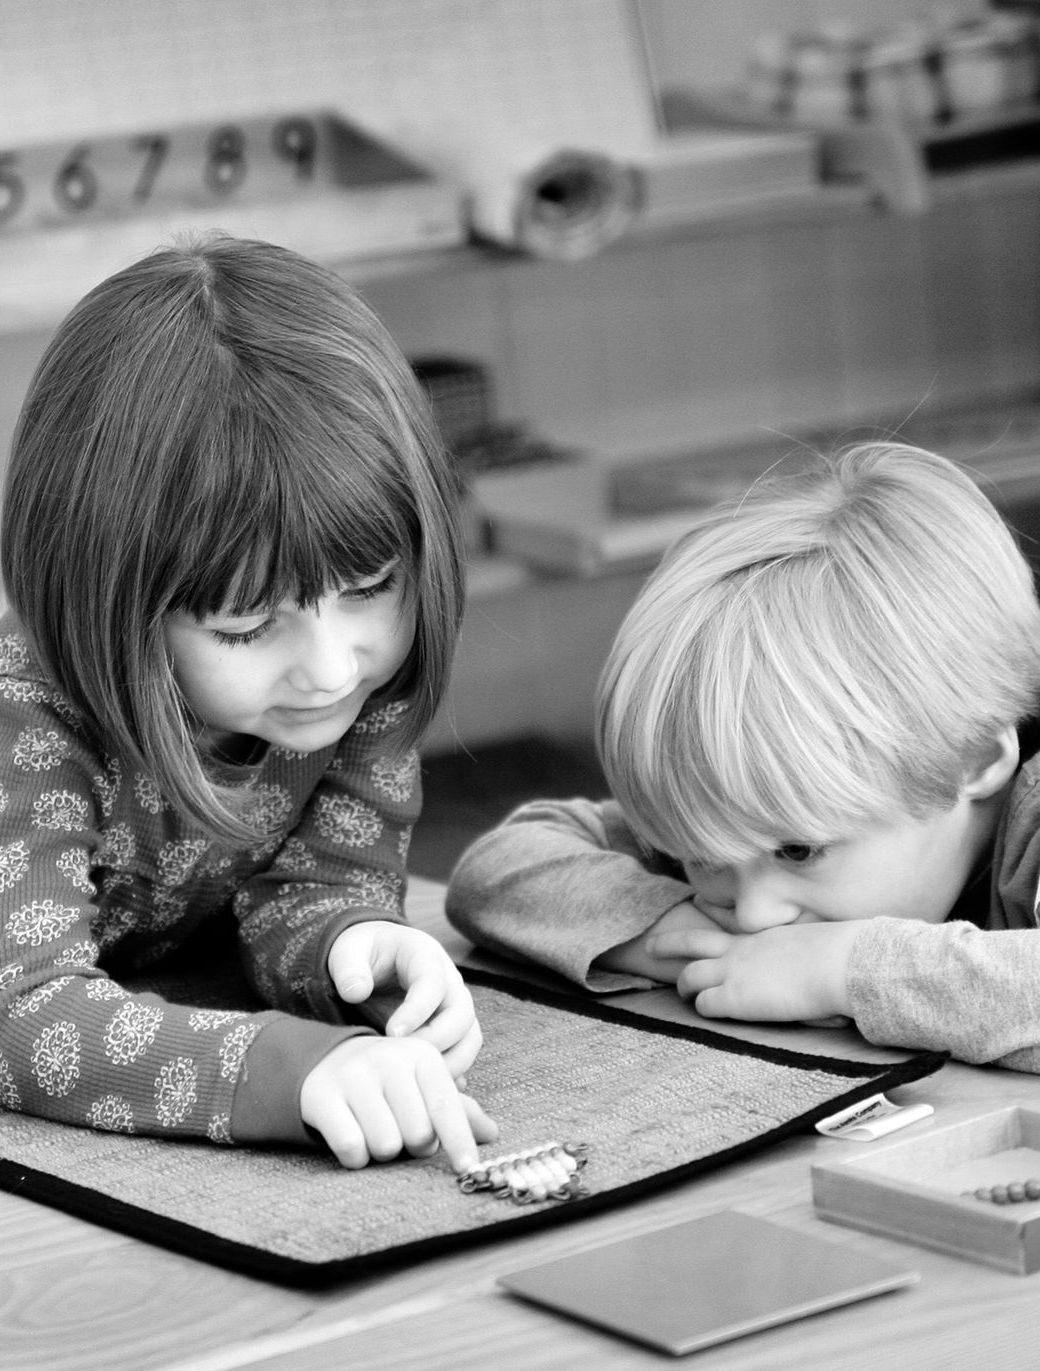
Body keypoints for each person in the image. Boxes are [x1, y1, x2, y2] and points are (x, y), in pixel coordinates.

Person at [0, 233, 497, 1171]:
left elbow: (313, 887)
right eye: (242, 627)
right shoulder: (22, 716)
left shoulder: (353, 682)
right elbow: (20, 1011)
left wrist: (363, 948)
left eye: (370, 585)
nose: (328, 666)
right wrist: (288, 1072)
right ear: (107, 598)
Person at [447, 442, 1040, 1072]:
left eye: (799, 851)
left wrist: (842, 968)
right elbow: (497, 871)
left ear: (974, 762)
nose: (753, 913)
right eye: (701, 858)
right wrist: (678, 937)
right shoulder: (755, 835)